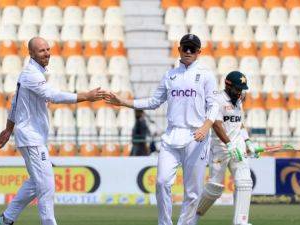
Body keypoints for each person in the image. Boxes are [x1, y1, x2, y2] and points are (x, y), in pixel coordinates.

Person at [105, 34, 219, 225]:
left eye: (193, 49)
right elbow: (153, 102)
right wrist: (123, 102)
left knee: (192, 191)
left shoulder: (206, 75)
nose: (189, 52)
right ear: (179, 49)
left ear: (199, 52)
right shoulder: (170, 75)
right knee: (162, 182)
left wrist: (205, 127)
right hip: (172, 135)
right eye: (185, 48)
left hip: (196, 136)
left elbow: (214, 105)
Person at [0, 37, 105, 225]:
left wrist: (8, 128)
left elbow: (15, 103)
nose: (47, 53)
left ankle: (5, 220)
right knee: (46, 187)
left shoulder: (32, 73)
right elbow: (53, 95)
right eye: (41, 50)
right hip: (31, 138)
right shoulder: (31, 75)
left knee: (35, 184)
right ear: (31, 53)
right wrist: (86, 96)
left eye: (48, 49)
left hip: (33, 137)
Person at [194, 71, 262, 225]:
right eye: (237, 89)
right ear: (228, 85)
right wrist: (229, 144)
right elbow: (216, 125)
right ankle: (193, 216)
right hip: (220, 148)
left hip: (237, 146)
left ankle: (241, 222)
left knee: (245, 182)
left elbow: (239, 124)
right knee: (215, 188)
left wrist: (248, 142)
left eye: (242, 89)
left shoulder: (239, 100)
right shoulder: (217, 99)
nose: (240, 92)